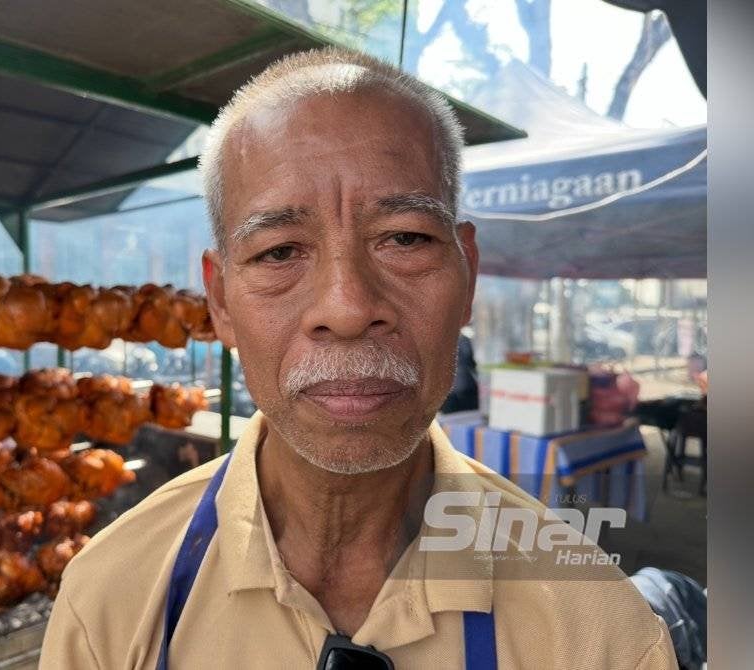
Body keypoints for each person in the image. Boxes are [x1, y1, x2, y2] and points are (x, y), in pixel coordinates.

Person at [41, 48, 674, 669]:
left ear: (468, 277)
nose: (347, 308)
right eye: (280, 252)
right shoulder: (111, 603)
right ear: (221, 301)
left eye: (404, 238)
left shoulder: (600, 635)